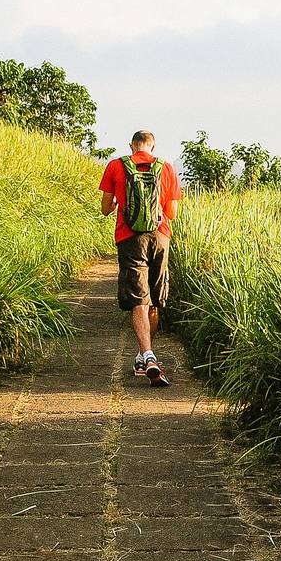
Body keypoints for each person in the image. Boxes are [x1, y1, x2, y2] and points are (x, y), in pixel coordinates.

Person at [99, 129, 182, 385]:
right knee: (155, 298)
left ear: (131, 146)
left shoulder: (115, 166)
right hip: (160, 237)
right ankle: (142, 355)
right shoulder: (166, 168)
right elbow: (172, 212)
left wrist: (117, 205)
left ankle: (147, 356)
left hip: (129, 237)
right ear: (153, 147)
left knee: (139, 298)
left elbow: (104, 208)